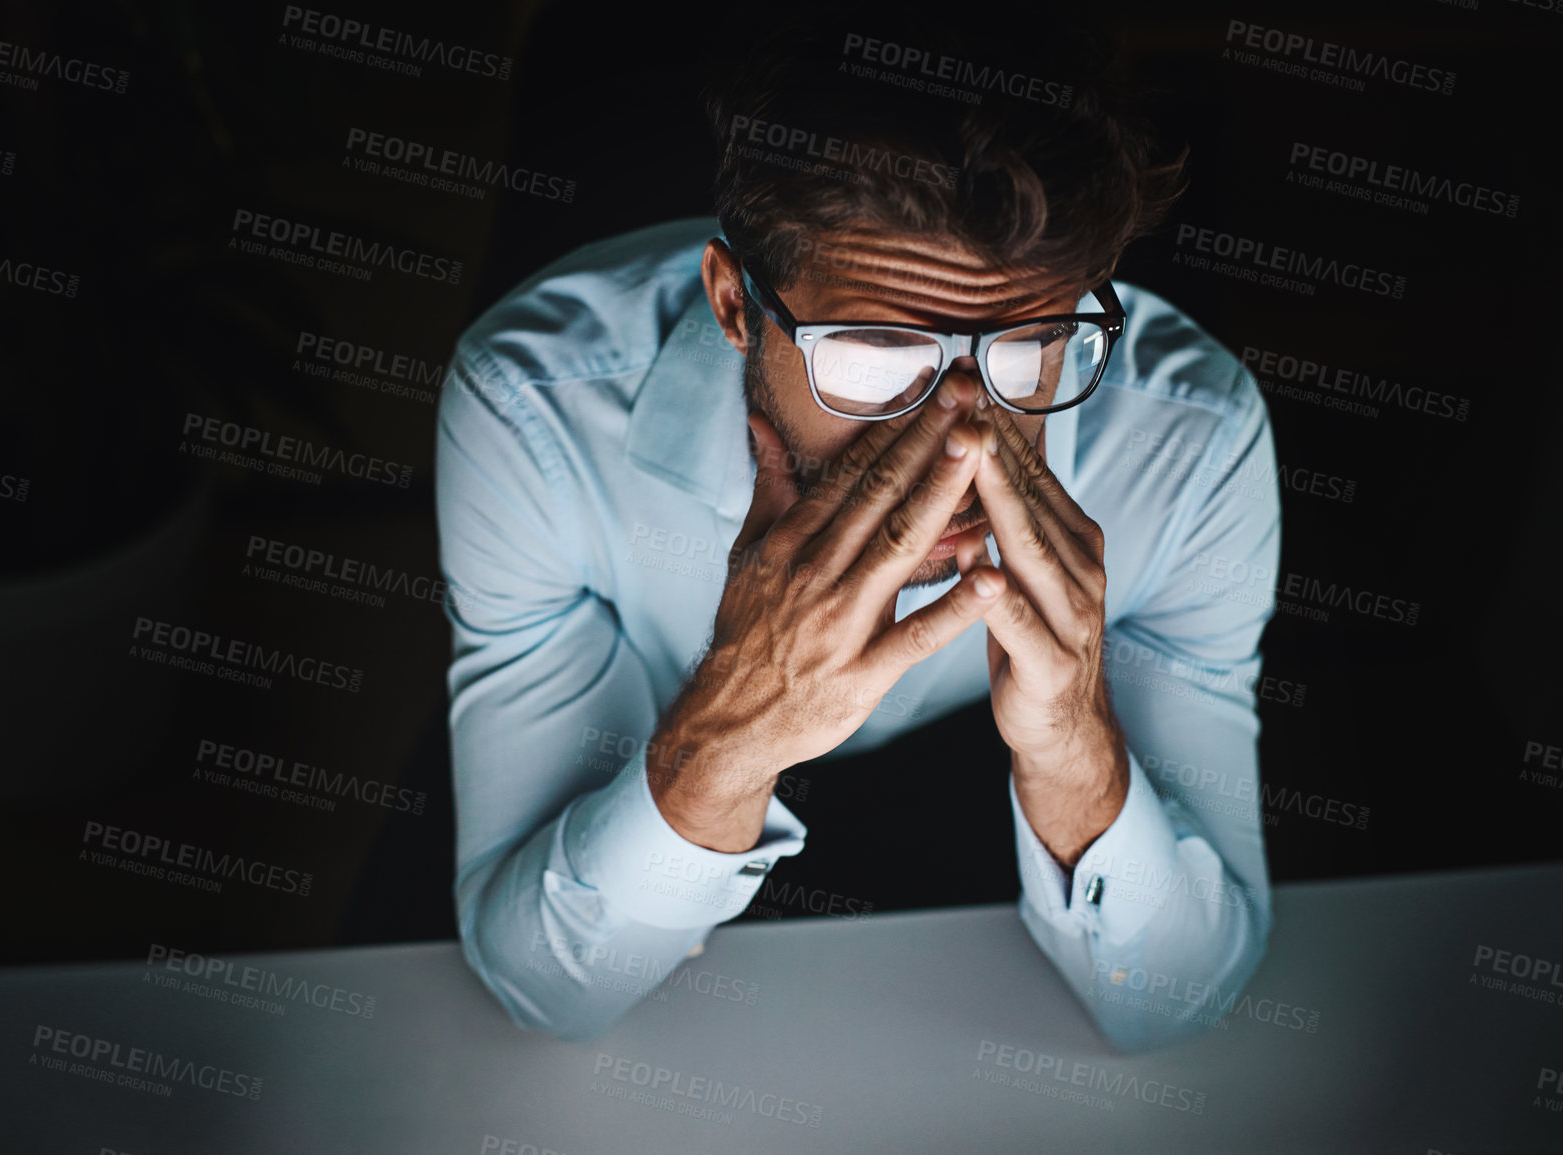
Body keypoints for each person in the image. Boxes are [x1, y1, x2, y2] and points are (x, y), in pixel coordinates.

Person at [435, 9, 1279, 1047]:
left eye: (1027, 349)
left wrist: (1075, 750)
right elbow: (545, 989)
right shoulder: (532, 411)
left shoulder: (1195, 443)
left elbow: (1178, 1003)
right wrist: (735, 730)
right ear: (736, 304)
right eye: (877, 354)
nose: (957, 439)